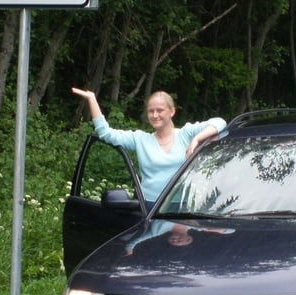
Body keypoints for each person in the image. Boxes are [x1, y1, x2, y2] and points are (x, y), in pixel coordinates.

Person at [71, 87, 226, 208]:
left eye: (160, 110)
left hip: (181, 209)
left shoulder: (186, 134)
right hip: (149, 208)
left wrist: (196, 139)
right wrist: (92, 99)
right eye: (151, 111)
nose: (155, 115)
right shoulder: (140, 139)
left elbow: (220, 122)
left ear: (172, 111)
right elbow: (106, 134)